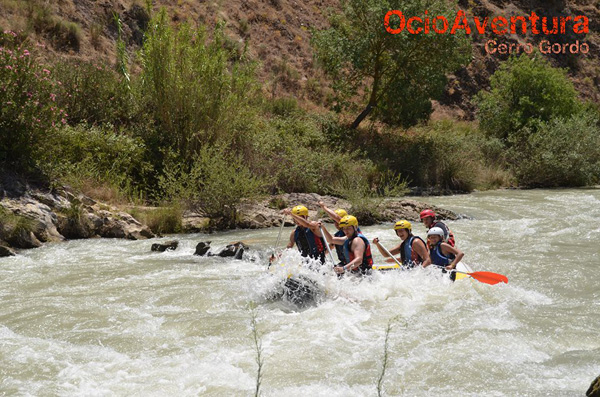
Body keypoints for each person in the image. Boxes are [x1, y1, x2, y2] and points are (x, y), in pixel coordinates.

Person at [318, 201, 349, 267]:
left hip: (353, 264)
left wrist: (324, 207)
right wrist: (318, 258)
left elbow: (338, 219)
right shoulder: (337, 235)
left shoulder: (351, 231)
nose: (336, 223)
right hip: (344, 263)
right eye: (334, 221)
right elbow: (330, 246)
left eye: (337, 221)